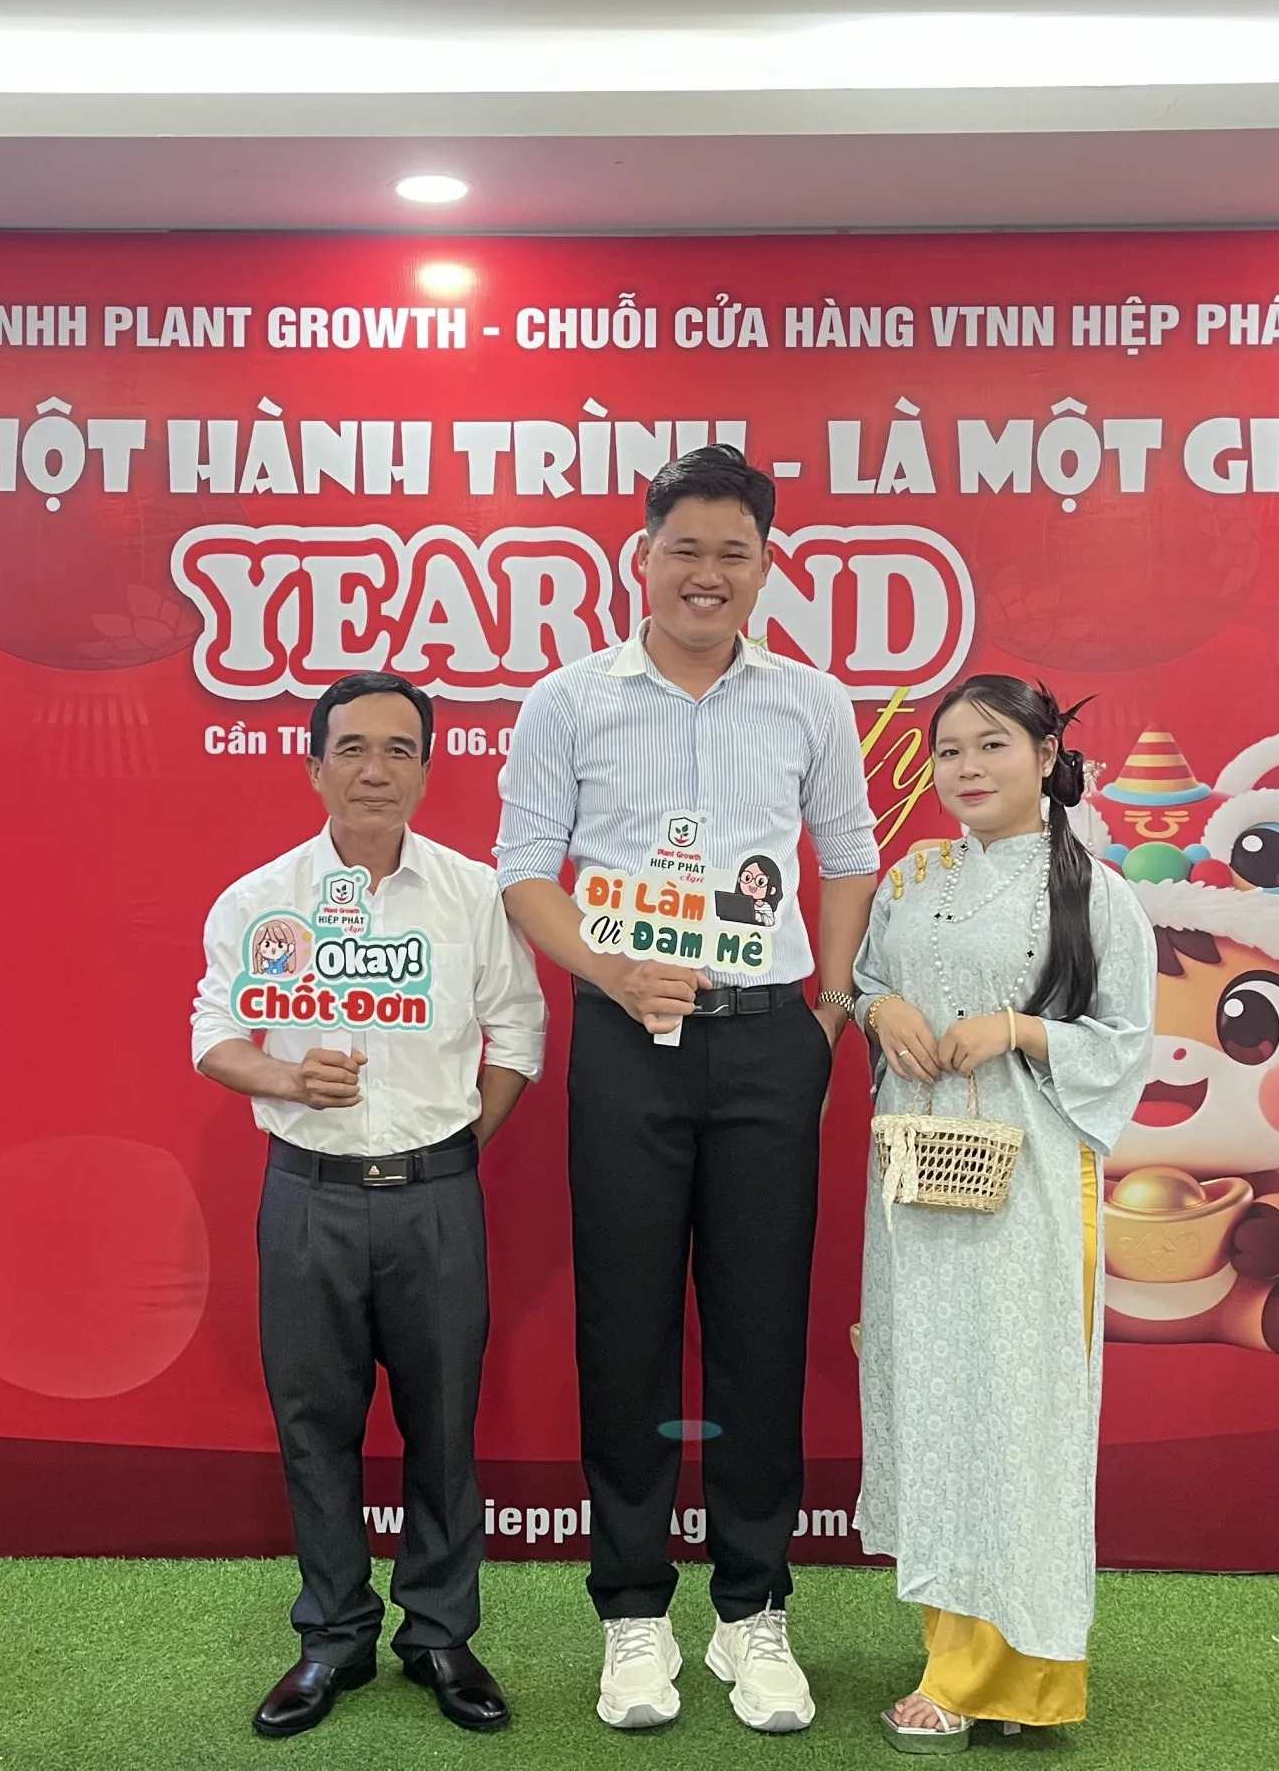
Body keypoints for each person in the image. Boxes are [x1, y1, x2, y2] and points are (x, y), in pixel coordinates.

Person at [495, 445, 879, 1735]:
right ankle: (632, 1613)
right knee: (626, 1324)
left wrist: (827, 1012)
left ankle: (753, 1611)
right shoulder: (569, 701)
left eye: (733, 553)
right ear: (641, 556)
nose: (706, 574)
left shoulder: (810, 701)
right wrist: (606, 970)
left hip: (771, 1037)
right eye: (684, 550)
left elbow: (850, 857)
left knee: (762, 1328)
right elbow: (524, 869)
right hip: (627, 1041)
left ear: (766, 568)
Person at [193, 671, 546, 1740]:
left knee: (443, 1425)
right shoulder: (259, 900)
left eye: (399, 749)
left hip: (435, 1200)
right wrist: (288, 1078)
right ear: (314, 768)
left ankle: (438, 1633)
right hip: (307, 1197)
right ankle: (333, 1637)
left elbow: (518, 1031)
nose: (375, 770)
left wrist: (454, 1146)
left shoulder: (474, 894)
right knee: (315, 1425)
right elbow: (214, 1037)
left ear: (428, 771)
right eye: (352, 748)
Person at [850, 675, 1155, 1750]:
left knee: (1016, 1405)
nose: (966, 769)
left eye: (991, 745)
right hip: (918, 1179)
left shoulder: (1094, 894)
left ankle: (1002, 1670)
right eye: (948, 751)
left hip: (1029, 1194)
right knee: (937, 1396)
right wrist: (880, 1006)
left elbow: (1126, 1043)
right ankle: (953, 1650)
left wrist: (1018, 1032)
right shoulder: (912, 875)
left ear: (1045, 757)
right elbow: (866, 979)